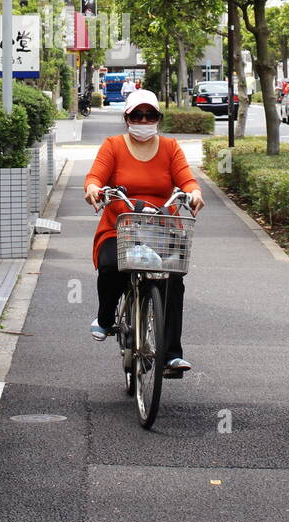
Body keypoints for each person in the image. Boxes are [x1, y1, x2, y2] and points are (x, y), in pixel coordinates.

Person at [83, 89, 204, 372]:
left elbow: (187, 179)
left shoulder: (170, 147)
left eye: (150, 114)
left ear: (158, 118)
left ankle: (172, 354)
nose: (144, 119)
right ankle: (105, 318)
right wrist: (93, 190)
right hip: (120, 228)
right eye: (137, 114)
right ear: (127, 118)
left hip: (161, 229)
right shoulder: (113, 145)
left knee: (173, 279)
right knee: (111, 265)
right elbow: (95, 176)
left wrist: (194, 193)